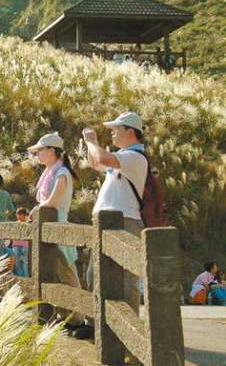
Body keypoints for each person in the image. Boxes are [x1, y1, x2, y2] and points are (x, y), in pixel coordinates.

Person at [83, 112, 147, 313]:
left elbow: (101, 157)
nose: (112, 134)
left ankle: (131, 330)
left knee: (127, 279)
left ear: (130, 131)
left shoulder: (135, 157)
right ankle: (96, 323)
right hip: (108, 223)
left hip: (126, 221)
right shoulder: (124, 158)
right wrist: (89, 146)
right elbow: (96, 163)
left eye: (115, 130)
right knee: (96, 275)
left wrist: (92, 141)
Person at [28, 132, 86, 328]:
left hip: (57, 226)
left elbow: (53, 201)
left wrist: (38, 209)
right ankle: (65, 314)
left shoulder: (61, 173)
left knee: (66, 271)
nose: (37, 155)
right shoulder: (53, 171)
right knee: (55, 272)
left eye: (39, 151)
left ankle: (77, 316)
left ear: (51, 151)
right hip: (49, 225)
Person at [11, 207, 30, 277]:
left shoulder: (28, 223)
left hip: (25, 244)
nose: (18, 216)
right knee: (17, 262)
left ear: (24, 215)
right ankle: (20, 276)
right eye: (17, 214)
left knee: (25, 261)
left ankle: (26, 276)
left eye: (20, 214)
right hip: (16, 244)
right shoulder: (15, 223)